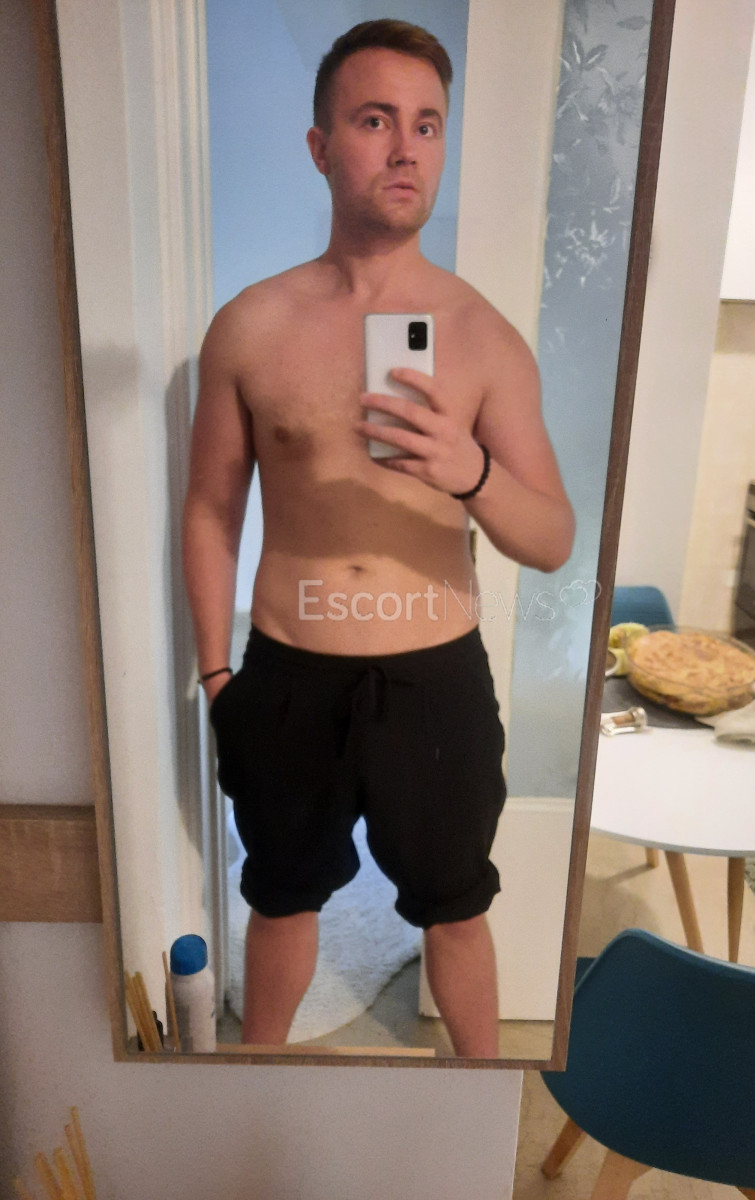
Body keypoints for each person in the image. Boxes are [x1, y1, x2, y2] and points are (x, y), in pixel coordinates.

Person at [182, 19, 574, 1057]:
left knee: (457, 907)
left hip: (433, 677)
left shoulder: (484, 336)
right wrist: (219, 677)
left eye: (428, 125)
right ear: (321, 146)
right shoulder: (250, 326)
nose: (406, 148)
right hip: (288, 671)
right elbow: (211, 507)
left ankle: (479, 1109)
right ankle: (255, 1092)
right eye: (374, 120)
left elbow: (552, 539)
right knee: (279, 896)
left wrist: (470, 470)